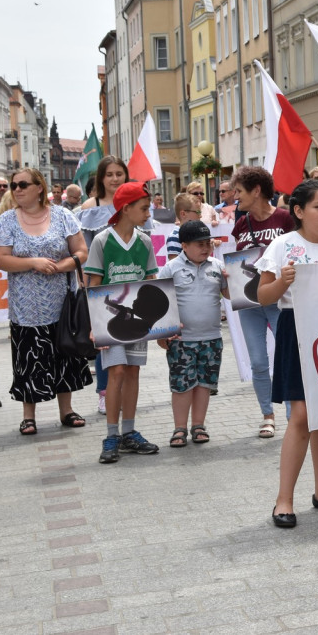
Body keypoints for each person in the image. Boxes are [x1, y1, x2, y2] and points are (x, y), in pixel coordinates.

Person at [256, 179, 318, 528]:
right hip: (297, 329)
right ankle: (283, 499)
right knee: (301, 415)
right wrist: (283, 281)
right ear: (298, 211)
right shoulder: (282, 246)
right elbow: (263, 297)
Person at [0, 168, 90, 433]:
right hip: (26, 306)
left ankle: (66, 411)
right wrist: (32, 262)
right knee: (28, 358)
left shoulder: (63, 215)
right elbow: (1, 259)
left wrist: (60, 266)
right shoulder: (8, 220)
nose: (17, 189)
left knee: (64, 355)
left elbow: (81, 251)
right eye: (14, 185)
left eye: (23, 184)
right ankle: (28, 415)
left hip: (62, 304)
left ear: (39, 187)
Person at [84, 181, 159, 464]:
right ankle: (111, 434)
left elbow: (152, 283)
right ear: (125, 209)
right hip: (111, 322)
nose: (148, 213)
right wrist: (95, 324)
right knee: (115, 373)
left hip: (138, 322)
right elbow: (93, 284)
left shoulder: (145, 241)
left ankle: (129, 432)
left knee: (132, 373)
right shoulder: (103, 240)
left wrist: (164, 325)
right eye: (143, 208)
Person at [77, 156, 148, 416]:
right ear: (101, 178)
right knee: (106, 345)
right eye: (110, 174)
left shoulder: (138, 207)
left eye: (120, 173)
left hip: (131, 288)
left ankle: (126, 409)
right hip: (103, 285)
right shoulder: (90, 206)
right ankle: (104, 393)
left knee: (131, 362)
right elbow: (85, 249)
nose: (115, 178)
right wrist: (88, 287)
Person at [231, 166, 297, 439]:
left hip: (279, 299)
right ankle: (267, 415)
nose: (235, 197)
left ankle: (295, 415)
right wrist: (229, 277)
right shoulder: (240, 224)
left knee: (288, 357)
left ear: (256, 190)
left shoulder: (285, 219)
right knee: (258, 361)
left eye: (239, 191)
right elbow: (239, 262)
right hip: (249, 301)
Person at [156, 220, 229, 448]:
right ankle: (180, 428)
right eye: (199, 244)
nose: (206, 248)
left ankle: (199, 425)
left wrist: (234, 278)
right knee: (182, 385)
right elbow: (159, 302)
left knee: (204, 384)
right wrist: (161, 333)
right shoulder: (171, 268)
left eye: (208, 243)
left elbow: (230, 295)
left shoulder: (217, 266)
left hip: (211, 338)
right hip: (181, 340)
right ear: (184, 245)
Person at [165, 193, 201, 260]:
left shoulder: (198, 233)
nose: (200, 216)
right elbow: (174, 267)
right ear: (183, 214)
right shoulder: (175, 237)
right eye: (198, 212)